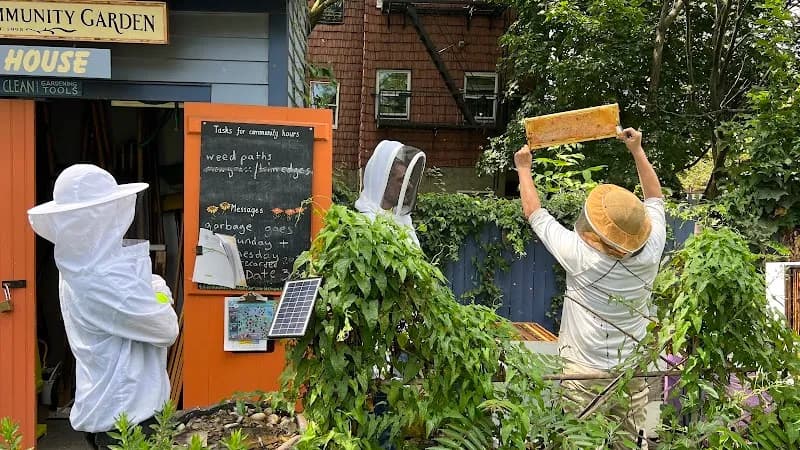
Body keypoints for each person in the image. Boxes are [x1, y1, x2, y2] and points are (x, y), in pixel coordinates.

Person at [514, 128, 666, 448]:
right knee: (625, 444)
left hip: (582, 376)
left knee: (576, 443)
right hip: (630, 372)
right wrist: (637, 150)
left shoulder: (580, 255)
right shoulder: (652, 248)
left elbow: (535, 214)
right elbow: (655, 197)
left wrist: (524, 169)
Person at [27, 164, 179, 449]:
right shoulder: (100, 280)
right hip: (128, 417)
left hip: (112, 407)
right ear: (96, 216)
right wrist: (159, 292)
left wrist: (148, 288)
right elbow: (166, 327)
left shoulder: (77, 263)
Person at [355, 140, 426, 247]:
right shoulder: (365, 224)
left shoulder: (403, 219)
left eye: (408, 179)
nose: (409, 186)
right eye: (401, 180)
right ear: (384, 182)